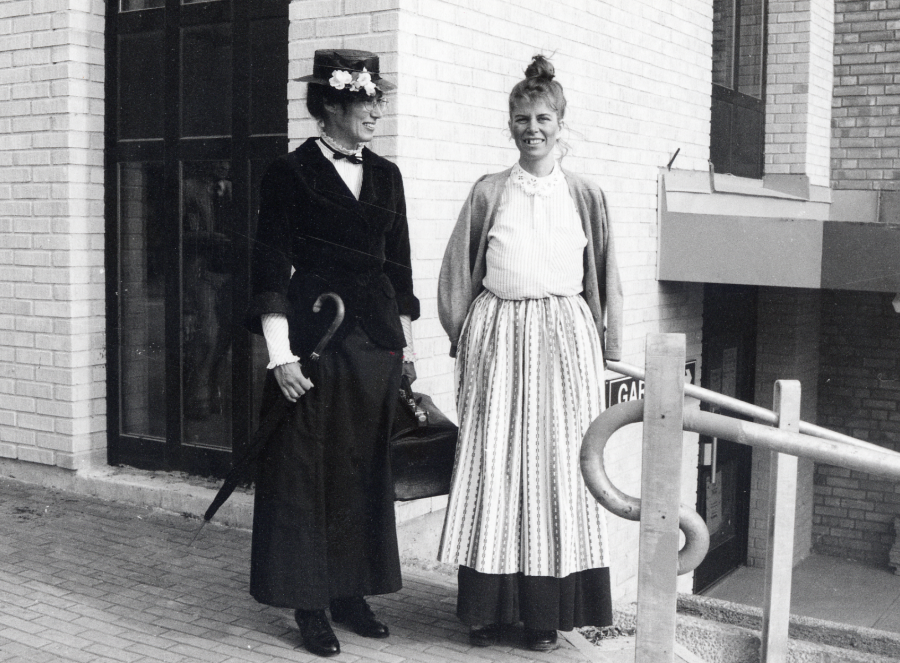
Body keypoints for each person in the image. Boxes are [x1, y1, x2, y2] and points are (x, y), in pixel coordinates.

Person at [437, 54, 622, 652]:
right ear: (509, 124)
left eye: (543, 117)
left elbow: (605, 277)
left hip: (563, 341)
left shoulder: (586, 194)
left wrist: (607, 348)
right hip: (498, 339)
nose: (532, 127)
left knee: (554, 471)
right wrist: (465, 337)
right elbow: (456, 276)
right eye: (521, 117)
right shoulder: (489, 192)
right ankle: (487, 613)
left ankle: (543, 618)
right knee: (495, 467)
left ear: (562, 123)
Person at [245, 49, 419, 658]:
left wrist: (406, 348)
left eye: (378, 99)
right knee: (304, 474)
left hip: (373, 345)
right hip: (313, 343)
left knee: (360, 471)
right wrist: (279, 354)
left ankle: (351, 593)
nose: (376, 111)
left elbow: (399, 269)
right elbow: (268, 261)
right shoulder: (288, 173)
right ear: (332, 106)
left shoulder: (389, 176)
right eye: (365, 101)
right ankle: (309, 603)